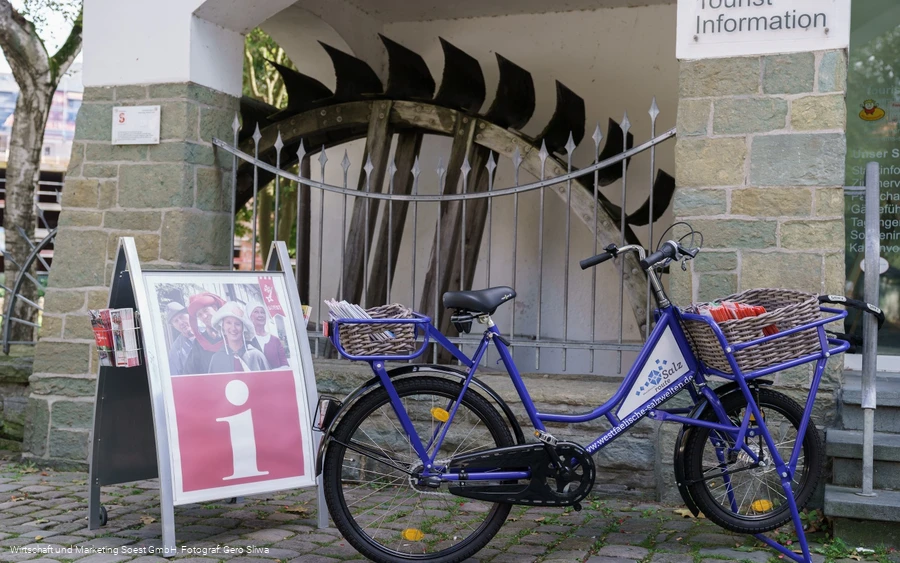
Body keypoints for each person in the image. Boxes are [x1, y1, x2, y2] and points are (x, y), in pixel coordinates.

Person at [207, 301, 270, 373]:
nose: (233, 328)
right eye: (228, 323)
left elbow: (269, 382)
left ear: (244, 328)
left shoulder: (256, 356)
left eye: (237, 324)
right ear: (223, 327)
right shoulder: (217, 359)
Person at [183, 292, 225, 374]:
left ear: (215, 308)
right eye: (200, 315)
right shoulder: (200, 343)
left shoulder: (236, 333)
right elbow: (189, 372)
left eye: (206, 310)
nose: (204, 316)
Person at [247, 301, 288, 369]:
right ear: (250, 316)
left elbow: (285, 365)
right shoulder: (248, 340)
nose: (260, 315)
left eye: (262, 312)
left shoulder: (275, 340)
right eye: (256, 312)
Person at [165, 302, 194, 376]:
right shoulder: (175, 349)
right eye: (176, 321)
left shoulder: (208, 333)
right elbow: (175, 377)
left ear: (188, 314)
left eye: (181, 317)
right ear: (173, 326)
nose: (180, 322)